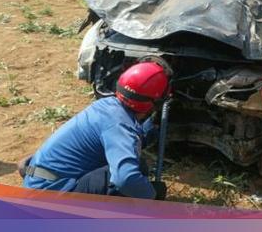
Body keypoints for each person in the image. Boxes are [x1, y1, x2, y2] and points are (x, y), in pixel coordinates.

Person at [21, 62, 169, 199]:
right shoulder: (119, 126)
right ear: (153, 102)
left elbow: (127, 137)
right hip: (49, 199)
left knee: (134, 165)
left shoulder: (107, 106)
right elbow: (126, 179)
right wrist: (152, 196)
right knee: (132, 174)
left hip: (39, 181)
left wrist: (153, 125)